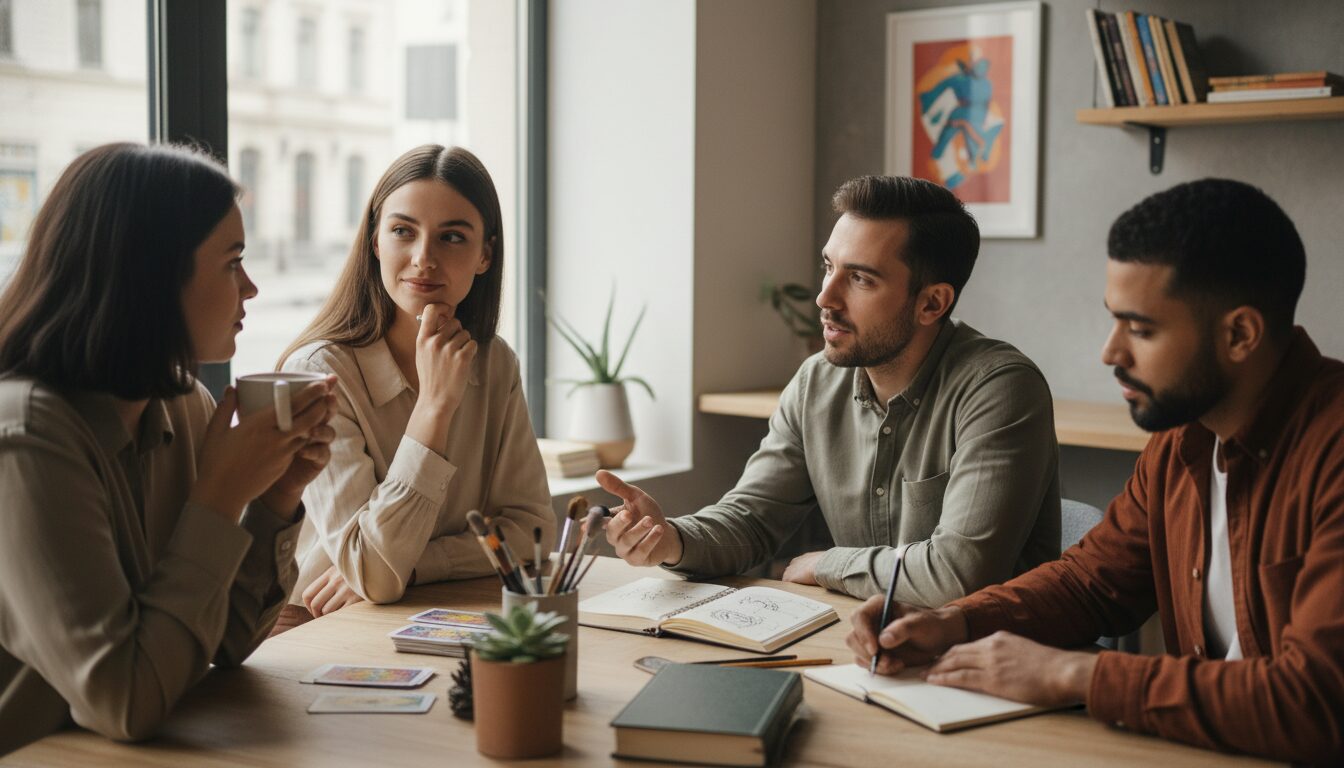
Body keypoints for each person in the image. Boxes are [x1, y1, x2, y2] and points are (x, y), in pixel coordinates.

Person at [846, 179, 1344, 763]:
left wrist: (1075, 675)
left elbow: (1314, 703)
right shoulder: (1180, 440)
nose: (1110, 353)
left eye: (1141, 329)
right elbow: (1091, 584)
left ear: (1240, 334)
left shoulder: (1331, 451)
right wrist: (953, 622)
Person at [0, 143, 337, 755]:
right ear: (151, 278)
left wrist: (277, 498)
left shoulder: (183, 406)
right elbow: (126, 700)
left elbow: (226, 642)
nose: (252, 287)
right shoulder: (26, 435)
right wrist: (220, 494)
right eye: (232, 262)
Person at [602, 175, 1060, 603]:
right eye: (829, 267)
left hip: (988, 665)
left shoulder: (1000, 389)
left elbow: (960, 575)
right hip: (863, 649)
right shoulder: (816, 382)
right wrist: (672, 539)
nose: (825, 297)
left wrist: (827, 565)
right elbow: (751, 519)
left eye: (860, 278)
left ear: (931, 303)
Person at [276, 144, 554, 629]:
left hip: (440, 609)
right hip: (320, 625)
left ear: (485, 254)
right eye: (403, 231)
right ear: (375, 242)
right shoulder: (317, 374)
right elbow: (376, 577)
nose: (424, 258)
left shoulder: (495, 363)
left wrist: (413, 565)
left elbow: (531, 533)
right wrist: (434, 407)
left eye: (452, 237)